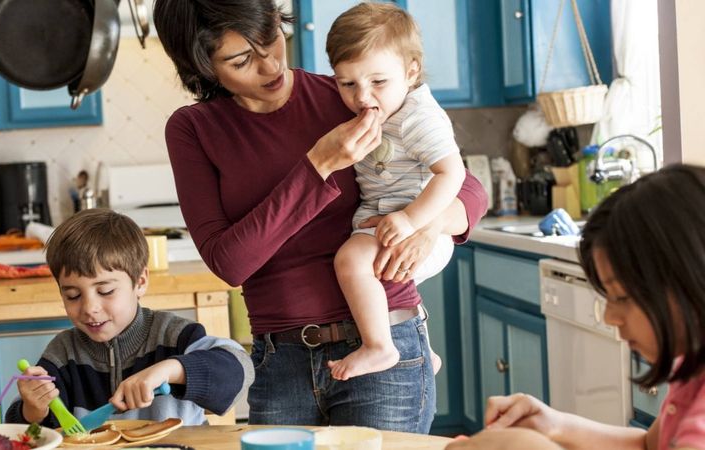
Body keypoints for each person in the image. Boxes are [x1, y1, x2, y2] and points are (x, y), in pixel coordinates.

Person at [153, 0, 488, 433]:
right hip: (281, 361)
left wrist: (430, 223)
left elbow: (468, 187)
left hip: (386, 347)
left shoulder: (351, 94)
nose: (271, 65)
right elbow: (230, 263)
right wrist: (318, 165)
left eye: (271, 39)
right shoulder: (194, 129)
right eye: (241, 60)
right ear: (203, 66)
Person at [448, 164, 705, 450]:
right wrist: (553, 426)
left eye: (621, 297)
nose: (609, 316)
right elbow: (647, 445)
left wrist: (531, 447)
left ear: (688, 281)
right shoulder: (691, 368)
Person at [5, 208, 253, 428]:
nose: (89, 308)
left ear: (140, 282)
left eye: (106, 291)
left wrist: (170, 370)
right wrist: (33, 410)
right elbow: (20, 430)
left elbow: (240, 369)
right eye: (72, 295)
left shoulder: (174, 336)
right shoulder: (62, 354)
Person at [325, 2, 465, 381]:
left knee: (351, 263)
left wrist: (411, 220)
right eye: (347, 84)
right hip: (389, 222)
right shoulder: (378, 111)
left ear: (411, 70)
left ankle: (380, 347)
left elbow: (453, 172)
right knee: (381, 280)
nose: (362, 97)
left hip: (417, 228)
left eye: (378, 82)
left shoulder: (417, 118)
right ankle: (424, 351)